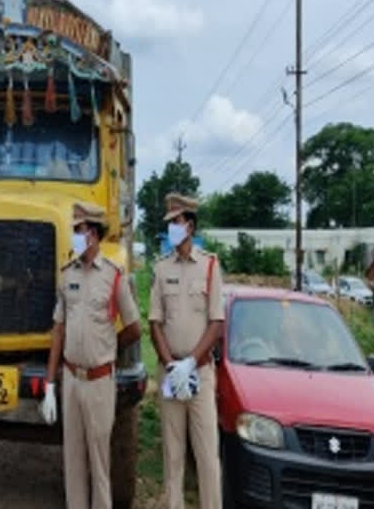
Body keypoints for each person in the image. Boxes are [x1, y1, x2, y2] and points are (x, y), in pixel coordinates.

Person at [39, 202, 142, 509]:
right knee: (72, 457)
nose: (74, 236)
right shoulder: (66, 274)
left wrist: (109, 348)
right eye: (74, 230)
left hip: (99, 381)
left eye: (79, 230)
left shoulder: (113, 276)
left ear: (94, 234)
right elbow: (58, 329)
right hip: (71, 378)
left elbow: (134, 328)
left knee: (99, 458)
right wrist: (48, 383)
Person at [149, 193, 224, 509]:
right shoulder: (160, 268)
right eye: (169, 223)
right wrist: (170, 364)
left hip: (201, 373)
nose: (171, 228)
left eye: (176, 222)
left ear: (190, 226)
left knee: (207, 455)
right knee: (173, 453)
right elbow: (154, 322)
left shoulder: (209, 266)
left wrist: (191, 362)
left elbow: (216, 323)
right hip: (170, 373)